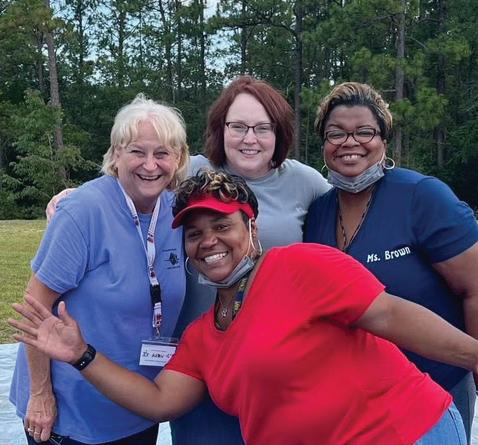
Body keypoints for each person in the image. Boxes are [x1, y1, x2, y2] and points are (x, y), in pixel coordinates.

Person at [9, 170, 478, 445]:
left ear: (251, 230)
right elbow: (158, 402)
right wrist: (81, 355)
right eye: (194, 233)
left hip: (405, 432)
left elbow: (391, 315)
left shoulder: (301, 265)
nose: (208, 241)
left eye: (222, 226)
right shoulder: (204, 336)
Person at [45, 75, 331, 445]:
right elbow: (136, 172)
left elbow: (345, 219)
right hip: (198, 357)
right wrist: (74, 195)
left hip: (272, 356)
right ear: (220, 129)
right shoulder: (192, 170)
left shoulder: (305, 182)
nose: (250, 138)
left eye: (263, 127)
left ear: (279, 132)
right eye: (238, 126)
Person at [9, 94, 189, 444]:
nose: (150, 165)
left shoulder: (178, 211)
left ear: (178, 158)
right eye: (137, 151)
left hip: (138, 405)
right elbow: (35, 308)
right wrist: (40, 394)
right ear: (116, 154)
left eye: (162, 153)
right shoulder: (83, 211)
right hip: (72, 414)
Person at [304, 81, 478, 443]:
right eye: (336, 133)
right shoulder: (319, 212)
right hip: (355, 399)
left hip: (435, 393)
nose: (350, 142)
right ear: (324, 144)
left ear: (384, 139)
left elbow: (474, 287)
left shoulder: (422, 197)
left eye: (364, 132)